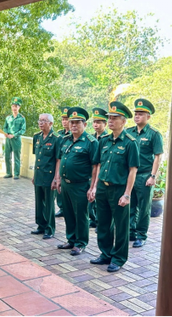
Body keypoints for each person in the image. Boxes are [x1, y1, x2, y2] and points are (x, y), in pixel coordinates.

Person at [90, 101, 139, 273]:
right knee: (102, 223)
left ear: (124, 121)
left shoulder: (130, 143)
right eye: (109, 118)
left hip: (119, 189)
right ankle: (106, 254)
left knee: (121, 225)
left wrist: (127, 194)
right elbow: (97, 166)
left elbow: (133, 171)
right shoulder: (103, 141)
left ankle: (118, 258)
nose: (110, 121)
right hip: (103, 188)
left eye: (114, 118)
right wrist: (94, 187)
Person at [54, 107, 99, 256]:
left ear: (85, 125)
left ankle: (80, 243)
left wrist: (93, 187)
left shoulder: (91, 142)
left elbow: (95, 166)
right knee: (68, 213)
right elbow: (60, 160)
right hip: (66, 183)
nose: (73, 125)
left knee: (81, 215)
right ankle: (71, 239)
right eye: (71, 122)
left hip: (81, 185)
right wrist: (58, 178)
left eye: (77, 123)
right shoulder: (65, 140)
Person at [126, 99, 164, 248]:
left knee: (144, 208)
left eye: (141, 114)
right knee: (130, 204)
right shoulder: (128, 132)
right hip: (130, 175)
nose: (137, 116)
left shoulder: (154, 134)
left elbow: (158, 156)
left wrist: (153, 176)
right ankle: (130, 232)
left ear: (148, 117)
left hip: (144, 175)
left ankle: (141, 235)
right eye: (136, 114)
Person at [31, 113, 60, 239]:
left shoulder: (56, 138)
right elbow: (37, 157)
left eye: (44, 121)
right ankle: (40, 226)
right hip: (39, 175)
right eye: (40, 120)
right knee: (39, 202)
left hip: (49, 176)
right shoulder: (36, 137)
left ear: (51, 123)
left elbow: (58, 159)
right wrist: (34, 175)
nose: (41, 123)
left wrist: (56, 178)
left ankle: (50, 228)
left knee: (49, 203)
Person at [89, 108, 110, 228]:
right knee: (90, 199)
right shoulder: (91, 138)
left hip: (102, 172)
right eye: (94, 122)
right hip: (91, 172)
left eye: (99, 122)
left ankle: (99, 222)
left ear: (104, 124)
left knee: (99, 201)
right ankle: (92, 219)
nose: (96, 124)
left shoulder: (107, 138)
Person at [3, 97, 26, 179]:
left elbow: (23, 130)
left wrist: (14, 135)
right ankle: (8, 172)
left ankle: (16, 174)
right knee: (7, 156)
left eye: (16, 106)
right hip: (8, 139)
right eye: (13, 106)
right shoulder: (8, 118)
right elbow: (5, 127)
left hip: (16, 139)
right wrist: (6, 133)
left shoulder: (22, 118)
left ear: (19, 107)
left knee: (16, 157)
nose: (14, 108)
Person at [54, 106, 70, 217]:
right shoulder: (59, 134)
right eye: (63, 119)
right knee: (59, 189)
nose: (64, 122)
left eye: (66, 119)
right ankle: (61, 207)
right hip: (60, 163)